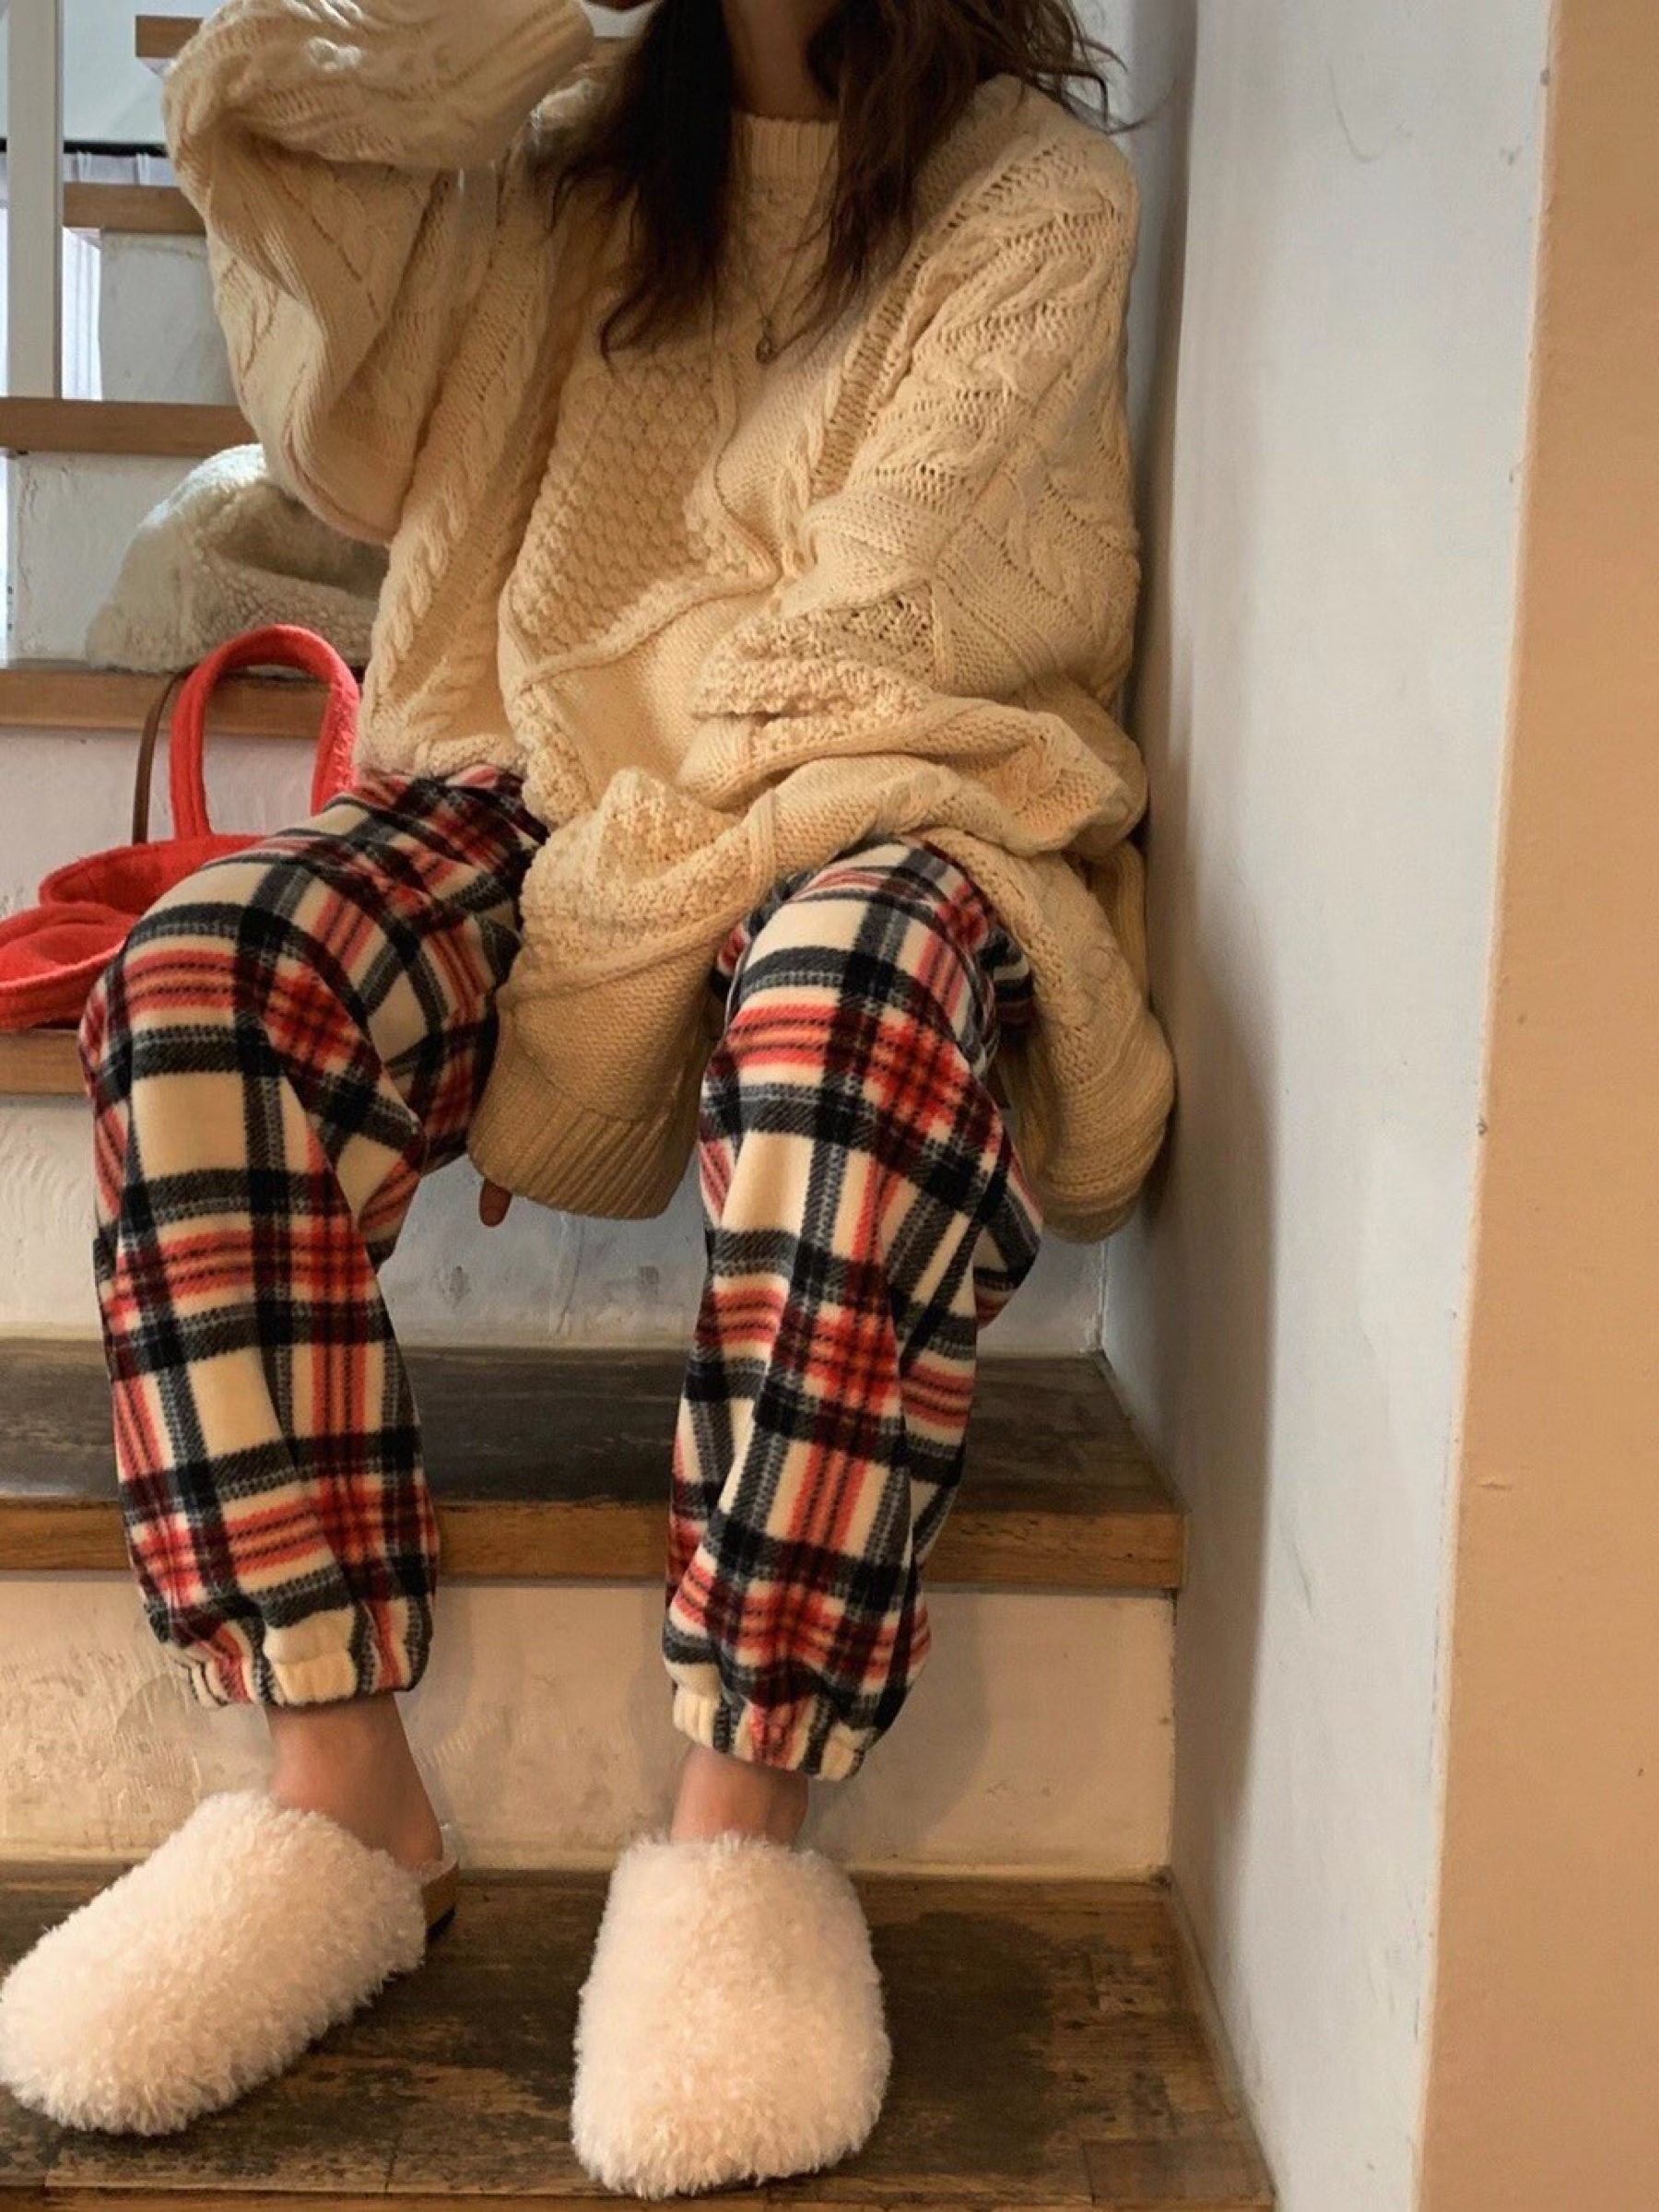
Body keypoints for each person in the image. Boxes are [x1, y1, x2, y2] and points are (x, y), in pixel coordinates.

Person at [0, 0, 1173, 2191]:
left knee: (853, 997)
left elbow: (867, 654)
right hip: (530, 782)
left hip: (866, 779)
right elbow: (290, 224)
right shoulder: (554, 149)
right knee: (201, 985)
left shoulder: (1035, 197)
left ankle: (743, 1831)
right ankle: (340, 1798)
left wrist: (585, 995)